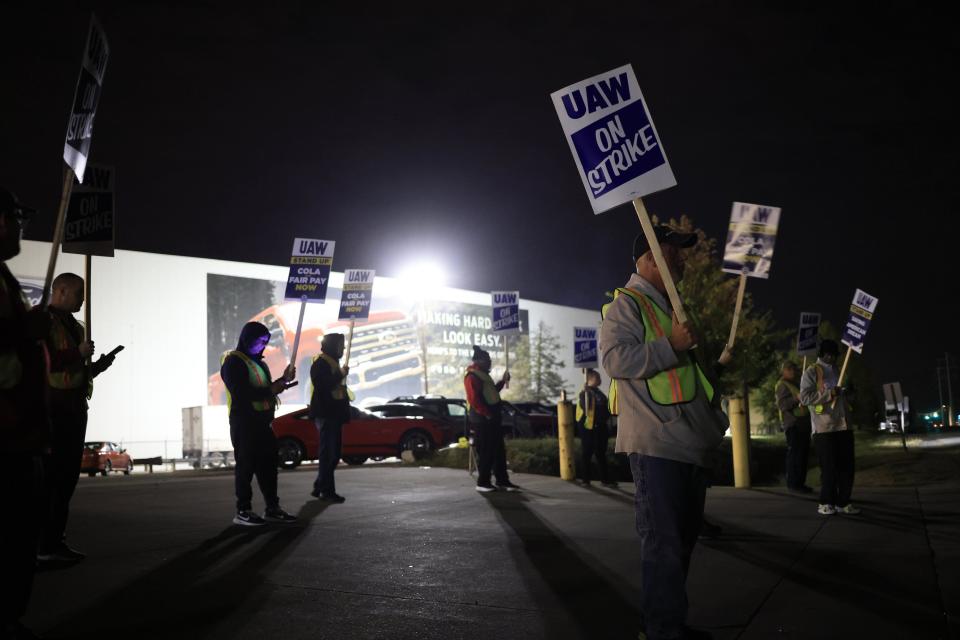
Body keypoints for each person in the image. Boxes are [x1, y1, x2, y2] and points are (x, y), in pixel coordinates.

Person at [600, 227, 727, 640]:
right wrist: (671, 344)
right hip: (657, 447)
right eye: (673, 252)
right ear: (649, 259)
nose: (682, 260)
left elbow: (691, 379)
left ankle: (664, 623)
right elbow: (615, 359)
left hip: (688, 446)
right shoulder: (627, 305)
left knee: (680, 545)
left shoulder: (672, 306)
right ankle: (661, 631)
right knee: (665, 547)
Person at [37, 272, 116, 563]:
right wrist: (76, 353)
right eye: (79, 293)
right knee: (52, 478)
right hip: (53, 407)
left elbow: (75, 372)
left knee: (67, 478)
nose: (83, 299)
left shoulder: (75, 326)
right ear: (61, 291)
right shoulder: (43, 321)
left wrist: (98, 366)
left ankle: (55, 540)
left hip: (74, 407)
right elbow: (42, 362)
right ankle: (45, 544)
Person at [0, 187, 49, 640]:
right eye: (15, 216)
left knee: (19, 534)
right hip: (6, 431)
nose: (18, 225)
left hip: (20, 429)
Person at [220, 322, 298, 525]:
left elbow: (266, 389)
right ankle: (243, 510)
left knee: (269, 467)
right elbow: (242, 393)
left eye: (266, 341)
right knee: (246, 466)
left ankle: (272, 507)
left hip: (263, 423)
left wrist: (283, 380)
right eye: (259, 340)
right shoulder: (233, 362)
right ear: (247, 338)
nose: (262, 345)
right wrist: (272, 389)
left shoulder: (260, 364)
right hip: (244, 422)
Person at [799, 340, 860, 516]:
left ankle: (844, 502)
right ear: (824, 354)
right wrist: (830, 393)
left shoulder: (840, 370)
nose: (832, 358)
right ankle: (826, 502)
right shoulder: (811, 372)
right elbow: (804, 398)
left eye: (834, 355)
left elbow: (849, 397)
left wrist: (850, 392)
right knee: (829, 467)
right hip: (824, 427)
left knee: (847, 467)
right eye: (830, 354)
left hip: (844, 426)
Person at [464, 345, 520, 493]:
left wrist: (502, 381)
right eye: (487, 360)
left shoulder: (482, 375)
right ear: (479, 361)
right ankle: (483, 482)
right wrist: (487, 413)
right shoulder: (472, 376)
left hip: (492, 418)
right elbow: (474, 399)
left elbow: (492, 392)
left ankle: (502, 480)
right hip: (482, 420)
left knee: (498, 451)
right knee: (487, 452)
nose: (490, 362)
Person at [310, 332, 351, 503]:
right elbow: (323, 385)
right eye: (339, 345)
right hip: (326, 415)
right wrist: (341, 374)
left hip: (334, 415)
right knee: (329, 454)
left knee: (333, 454)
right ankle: (326, 491)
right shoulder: (320, 364)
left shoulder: (334, 363)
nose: (342, 348)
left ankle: (321, 486)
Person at [776, 361, 812, 494]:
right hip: (793, 424)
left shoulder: (795, 384)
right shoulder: (782, 385)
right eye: (789, 369)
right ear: (783, 371)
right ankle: (793, 483)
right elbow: (782, 405)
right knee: (795, 455)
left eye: (794, 369)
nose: (792, 371)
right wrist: (797, 399)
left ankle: (800, 483)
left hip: (802, 423)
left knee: (802, 454)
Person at [576, 368, 615, 486]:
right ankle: (586, 480)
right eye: (598, 377)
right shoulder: (585, 393)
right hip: (588, 428)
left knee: (601, 454)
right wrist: (585, 391)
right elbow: (585, 408)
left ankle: (605, 480)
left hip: (600, 427)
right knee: (587, 453)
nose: (600, 379)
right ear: (590, 379)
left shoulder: (599, 393)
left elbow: (606, 408)